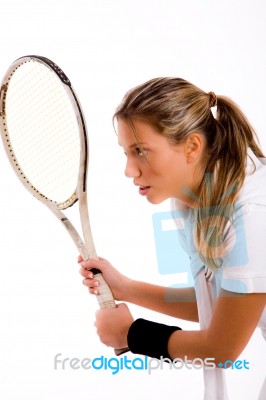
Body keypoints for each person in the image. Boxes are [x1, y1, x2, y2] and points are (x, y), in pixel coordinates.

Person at [79, 78, 266, 399]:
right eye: (126, 152)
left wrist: (131, 334)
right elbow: (220, 305)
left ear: (192, 146)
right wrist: (125, 288)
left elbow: (222, 348)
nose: (129, 170)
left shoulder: (252, 214)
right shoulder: (189, 201)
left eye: (141, 151)